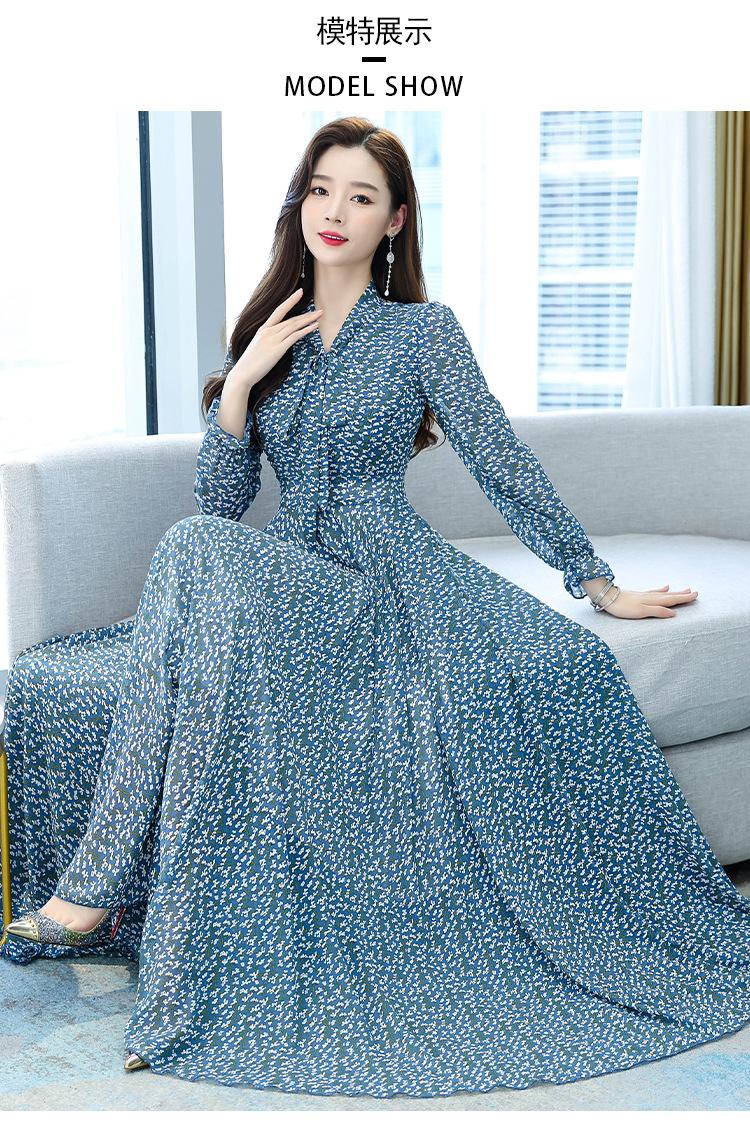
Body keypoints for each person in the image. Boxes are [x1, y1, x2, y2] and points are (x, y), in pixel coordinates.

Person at [4, 116, 749, 1097]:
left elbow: (500, 458)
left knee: (187, 552)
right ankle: (102, 893)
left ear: (394, 219)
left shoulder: (421, 332)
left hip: (383, 577)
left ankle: (92, 891)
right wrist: (241, 389)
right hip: (288, 572)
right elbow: (221, 506)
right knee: (128, 610)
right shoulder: (267, 332)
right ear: (300, 201)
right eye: (321, 189)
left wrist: (595, 580)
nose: (335, 211)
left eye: (361, 196)